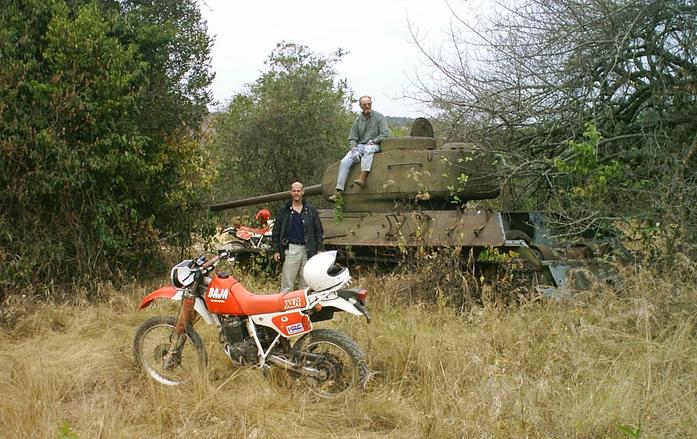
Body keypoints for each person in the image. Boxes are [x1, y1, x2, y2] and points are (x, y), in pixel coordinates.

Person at [329, 95, 390, 201]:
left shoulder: (379, 117)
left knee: (368, 149)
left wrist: (374, 141)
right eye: (364, 104)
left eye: (369, 104)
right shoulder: (358, 120)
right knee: (344, 161)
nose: (367, 106)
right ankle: (338, 192)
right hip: (360, 146)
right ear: (361, 106)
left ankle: (363, 176)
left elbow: (385, 134)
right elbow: (352, 137)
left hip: (375, 145)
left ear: (371, 103)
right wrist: (353, 149)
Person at [271, 181, 324, 291]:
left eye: (298, 191)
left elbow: (318, 231)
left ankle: (304, 308)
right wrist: (276, 250)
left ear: (302, 192)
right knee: (287, 283)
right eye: (294, 191)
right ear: (291, 192)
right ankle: (284, 307)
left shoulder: (310, 210)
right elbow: (276, 231)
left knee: (306, 283)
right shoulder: (284, 211)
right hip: (291, 250)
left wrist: (319, 249)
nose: (296, 193)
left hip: (308, 249)